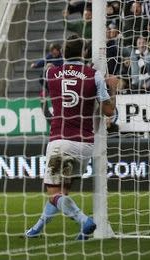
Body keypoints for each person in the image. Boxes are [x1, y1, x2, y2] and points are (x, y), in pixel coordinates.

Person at [24, 35, 115, 241]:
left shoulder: (51, 73)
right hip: (85, 143)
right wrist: (114, 88)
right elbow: (109, 111)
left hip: (60, 141)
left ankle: (85, 221)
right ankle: (37, 228)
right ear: (84, 53)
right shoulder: (94, 75)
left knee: (53, 192)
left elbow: (58, 81)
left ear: (63, 53)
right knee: (62, 191)